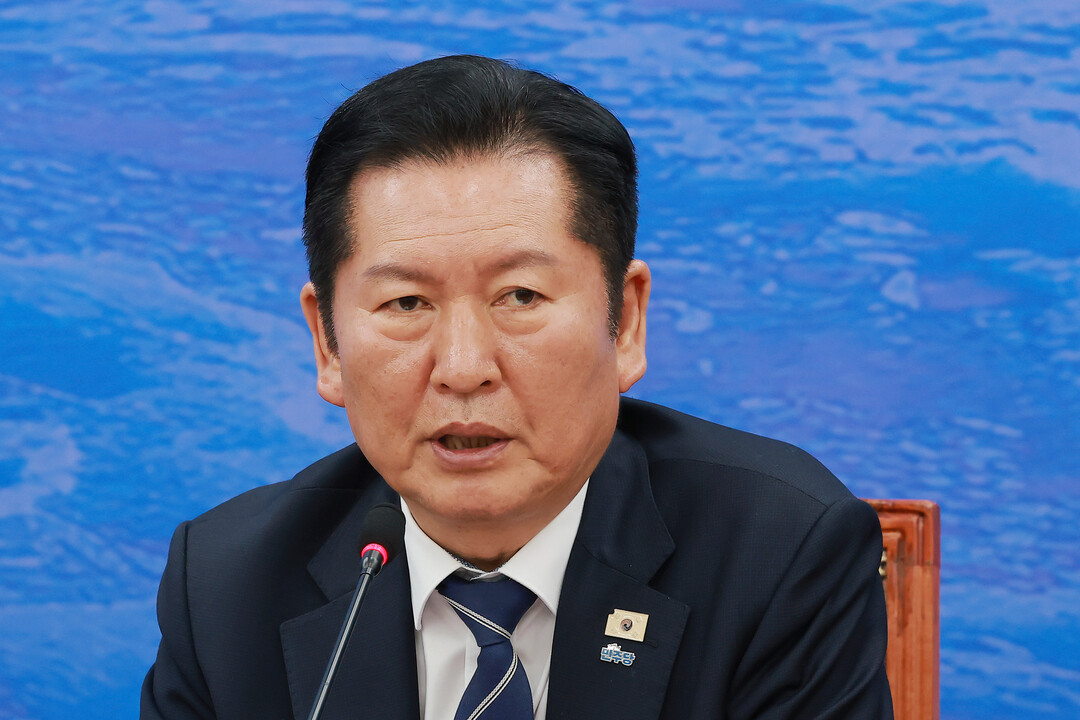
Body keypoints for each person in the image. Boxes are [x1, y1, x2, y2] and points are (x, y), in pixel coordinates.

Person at [141, 55, 893, 720]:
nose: (464, 366)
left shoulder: (777, 554)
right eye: (407, 303)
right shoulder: (226, 587)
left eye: (521, 296)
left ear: (625, 322)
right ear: (327, 343)